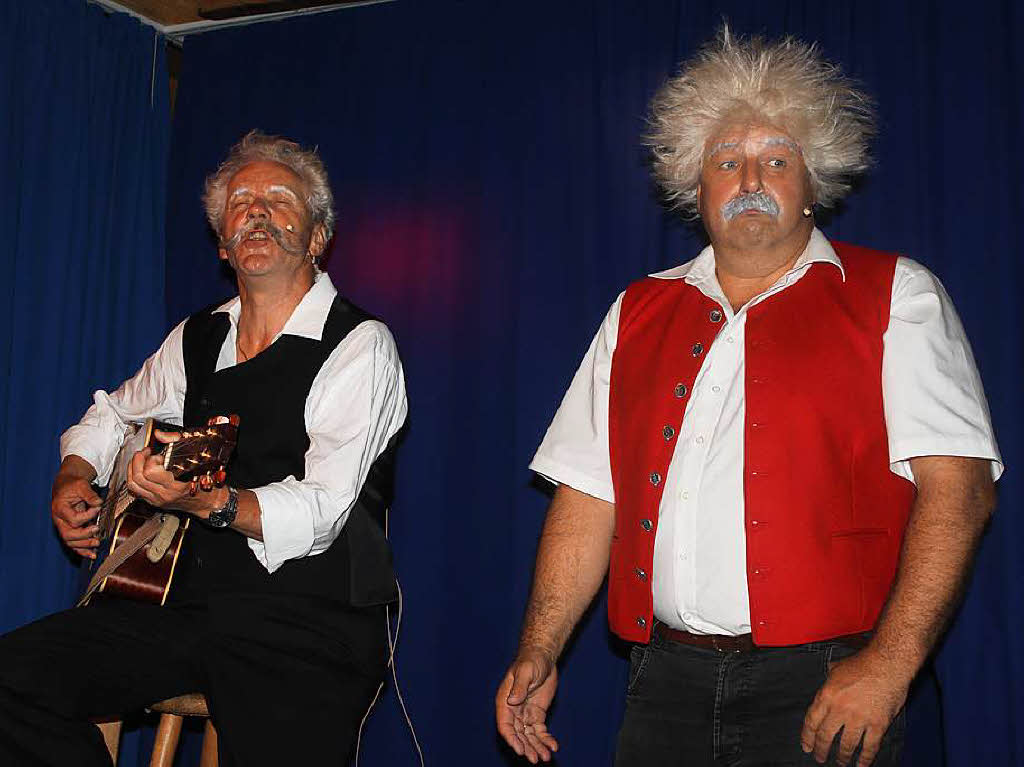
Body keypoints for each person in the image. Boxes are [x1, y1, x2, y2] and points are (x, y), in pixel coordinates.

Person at [496, 27, 1001, 767]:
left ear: (813, 183)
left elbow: (958, 493)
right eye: (727, 161)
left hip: (829, 687)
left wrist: (889, 666)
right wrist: (539, 648)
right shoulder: (637, 309)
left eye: (776, 158)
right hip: (660, 685)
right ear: (696, 190)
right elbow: (588, 495)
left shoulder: (897, 294)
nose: (751, 179)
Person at [0, 131, 407, 766]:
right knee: (12, 681)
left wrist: (211, 504)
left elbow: (324, 509)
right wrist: (74, 473)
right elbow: (112, 413)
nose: (257, 209)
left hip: (310, 624)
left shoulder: (359, 345)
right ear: (223, 244)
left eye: (279, 198)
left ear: (320, 235)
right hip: (192, 610)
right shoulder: (198, 337)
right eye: (241, 202)